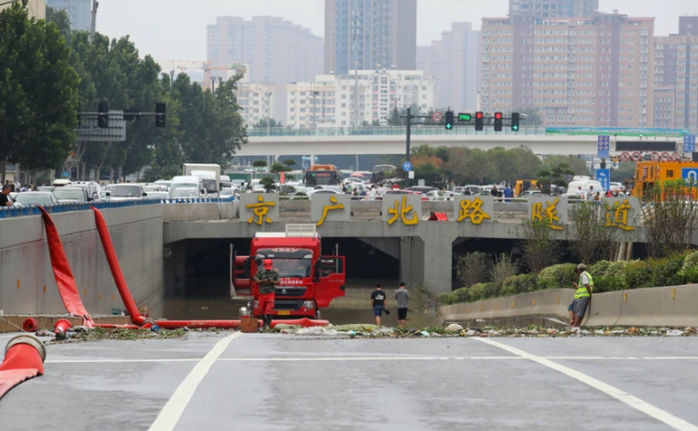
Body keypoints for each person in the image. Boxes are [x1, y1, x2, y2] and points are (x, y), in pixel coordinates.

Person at [253, 259, 280, 330]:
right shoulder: (260, 272)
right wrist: (263, 281)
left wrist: (271, 281)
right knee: (260, 310)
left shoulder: (274, 273)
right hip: (262, 293)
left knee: (269, 309)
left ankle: (268, 323)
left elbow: (278, 282)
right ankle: (264, 322)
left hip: (270, 293)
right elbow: (256, 281)